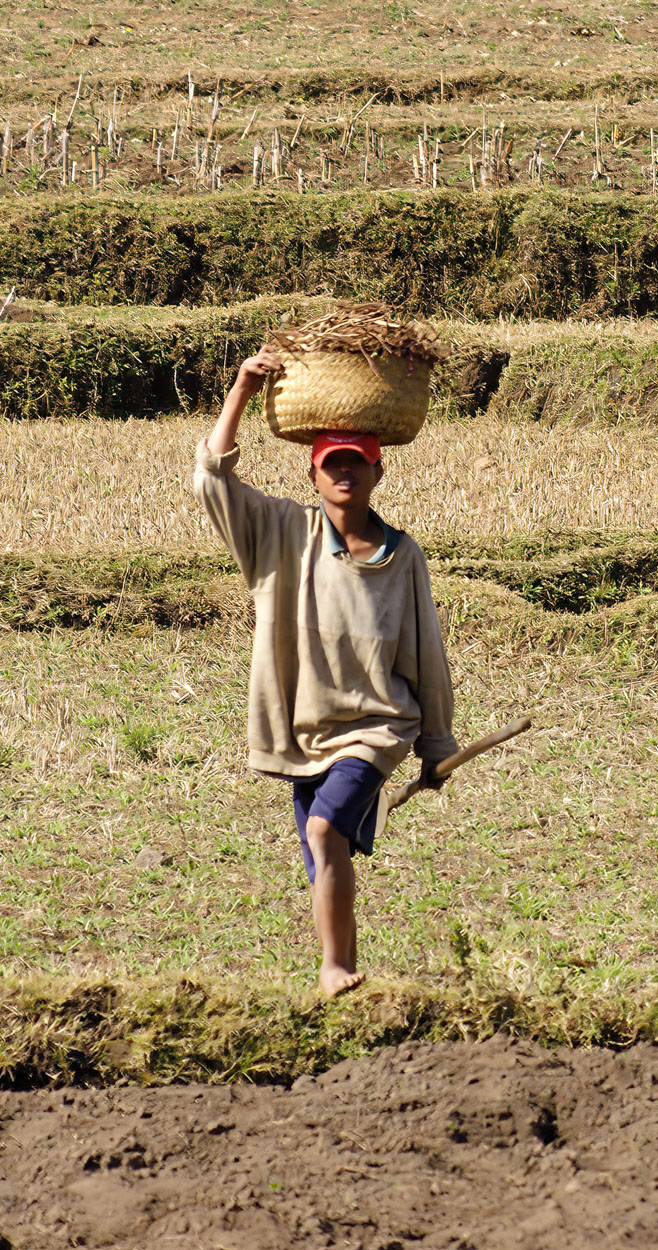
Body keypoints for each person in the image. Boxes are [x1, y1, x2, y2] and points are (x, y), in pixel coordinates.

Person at [193, 351, 459, 998]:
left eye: (356, 462)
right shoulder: (280, 535)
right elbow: (212, 481)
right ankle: (345, 972)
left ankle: (333, 967)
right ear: (313, 474)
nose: (344, 472)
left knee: (323, 830)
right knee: (322, 856)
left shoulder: (402, 557)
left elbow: (426, 654)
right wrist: (240, 390)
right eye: (331, 462)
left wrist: (438, 747)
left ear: (378, 470)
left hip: (377, 728)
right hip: (304, 731)